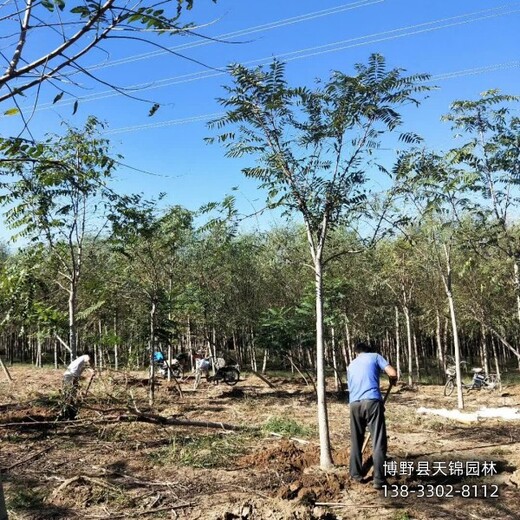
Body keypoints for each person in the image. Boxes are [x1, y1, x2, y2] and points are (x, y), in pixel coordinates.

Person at [347, 342, 397, 490]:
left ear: (357, 352)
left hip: (354, 404)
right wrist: (393, 380)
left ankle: (355, 474)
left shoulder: (351, 365)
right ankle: (379, 480)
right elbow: (392, 373)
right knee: (378, 441)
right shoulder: (375, 357)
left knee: (356, 439)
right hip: (372, 402)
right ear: (369, 351)